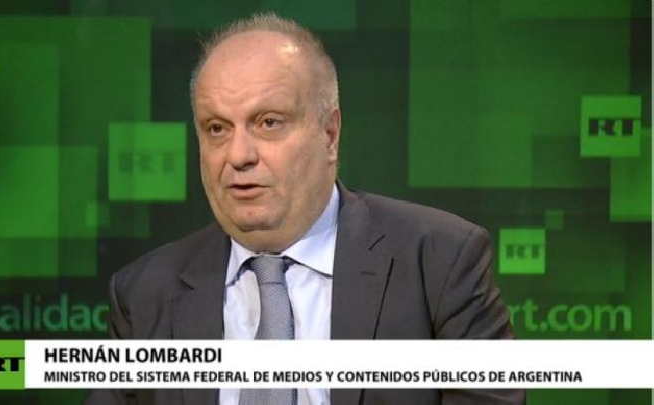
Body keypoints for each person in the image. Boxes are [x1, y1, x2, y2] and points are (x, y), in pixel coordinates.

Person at [86, 12, 524, 405]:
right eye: (217, 128)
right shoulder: (144, 293)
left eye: (268, 122)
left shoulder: (439, 262)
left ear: (329, 134)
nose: (238, 155)